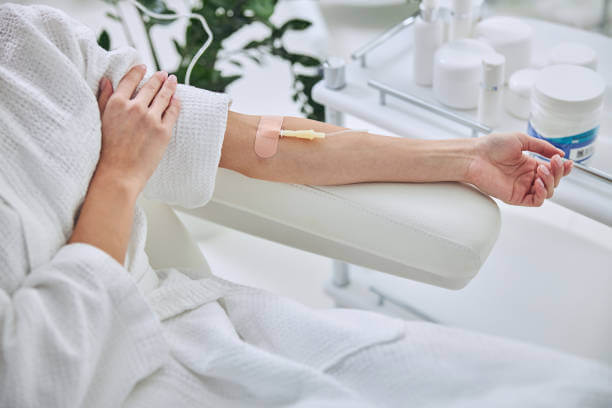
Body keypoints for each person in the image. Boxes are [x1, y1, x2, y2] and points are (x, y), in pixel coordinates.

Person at [0, 4, 609, 408]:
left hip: (213, 327)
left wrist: (466, 157)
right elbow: (38, 375)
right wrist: (118, 176)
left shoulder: (30, 40)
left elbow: (254, 139)